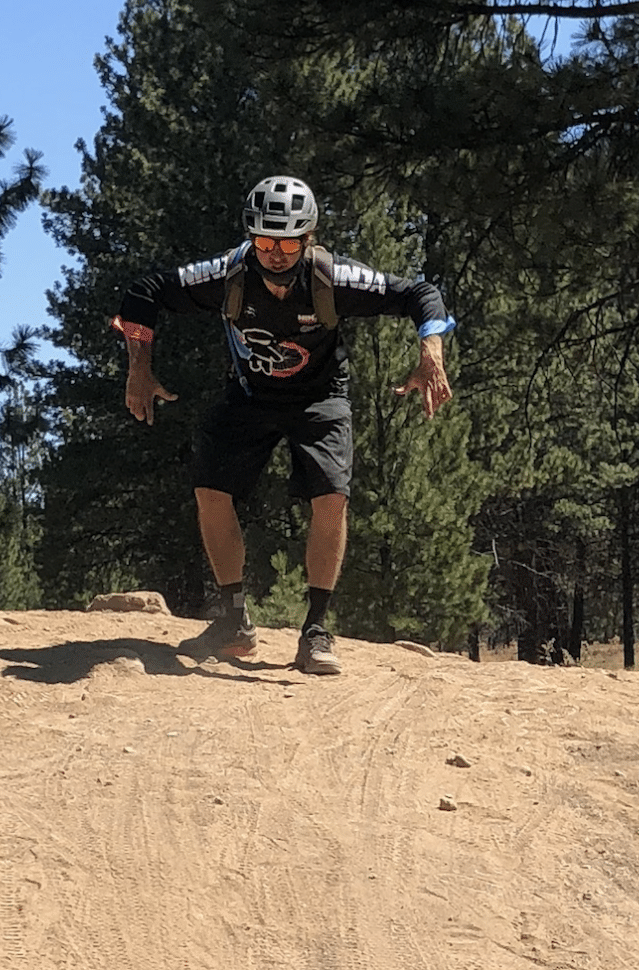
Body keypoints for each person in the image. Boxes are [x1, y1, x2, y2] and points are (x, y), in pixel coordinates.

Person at [112, 175, 455, 674]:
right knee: (210, 489)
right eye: (266, 241)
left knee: (331, 497)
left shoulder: (335, 278)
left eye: (290, 242)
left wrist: (431, 352)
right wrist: (138, 368)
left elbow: (420, 294)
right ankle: (234, 621)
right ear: (251, 237)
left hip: (320, 399)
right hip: (249, 395)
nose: (276, 254)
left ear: (309, 238)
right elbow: (145, 292)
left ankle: (316, 629)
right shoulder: (227, 274)